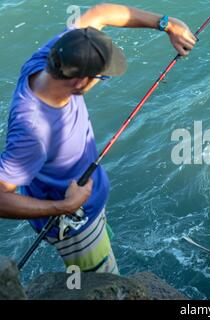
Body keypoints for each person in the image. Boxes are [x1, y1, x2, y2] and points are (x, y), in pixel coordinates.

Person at [0, 3, 197, 274]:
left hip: (88, 201)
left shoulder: (52, 57)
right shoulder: (35, 131)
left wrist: (168, 24)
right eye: (101, 76)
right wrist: (66, 205)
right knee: (103, 284)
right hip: (77, 227)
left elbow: (101, 13)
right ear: (81, 82)